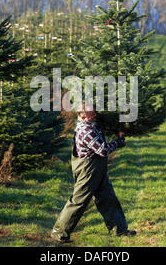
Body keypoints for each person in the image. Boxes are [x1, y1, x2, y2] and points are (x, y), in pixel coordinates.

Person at [51, 103, 136, 243]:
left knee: (108, 198)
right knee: (79, 201)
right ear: (82, 115)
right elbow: (102, 150)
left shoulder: (93, 125)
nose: (95, 114)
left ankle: (119, 230)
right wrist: (117, 143)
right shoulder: (85, 130)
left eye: (95, 111)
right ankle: (59, 232)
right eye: (91, 113)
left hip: (97, 169)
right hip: (88, 170)